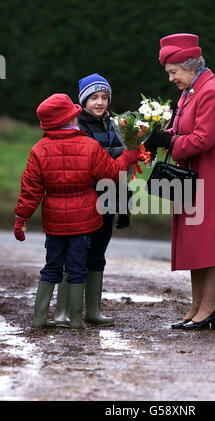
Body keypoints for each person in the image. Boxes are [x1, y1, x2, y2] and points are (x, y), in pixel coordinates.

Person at [144, 33, 215, 330]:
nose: (171, 79)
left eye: (173, 72)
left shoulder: (210, 91)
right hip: (195, 179)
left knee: (209, 245)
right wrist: (161, 135)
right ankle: (196, 308)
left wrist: (170, 144)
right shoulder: (192, 89)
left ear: (190, 66)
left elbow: (202, 139)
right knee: (196, 245)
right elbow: (183, 128)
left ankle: (207, 310)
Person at [14, 93, 140, 329]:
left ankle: (40, 319)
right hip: (85, 219)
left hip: (54, 221)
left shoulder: (38, 150)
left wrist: (21, 218)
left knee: (51, 265)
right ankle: (74, 321)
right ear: (70, 120)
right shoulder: (89, 146)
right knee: (77, 266)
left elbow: (30, 190)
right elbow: (112, 173)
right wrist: (129, 156)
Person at [55, 73, 131, 328]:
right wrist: (125, 152)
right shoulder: (77, 125)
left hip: (108, 199)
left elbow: (120, 170)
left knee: (98, 254)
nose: (100, 102)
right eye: (94, 97)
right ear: (84, 100)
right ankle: (64, 311)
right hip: (84, 200)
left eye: (104, 97)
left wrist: (124, 206)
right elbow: (91, 158)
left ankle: (93, 311)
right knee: (75, 255)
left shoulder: (116, 125)